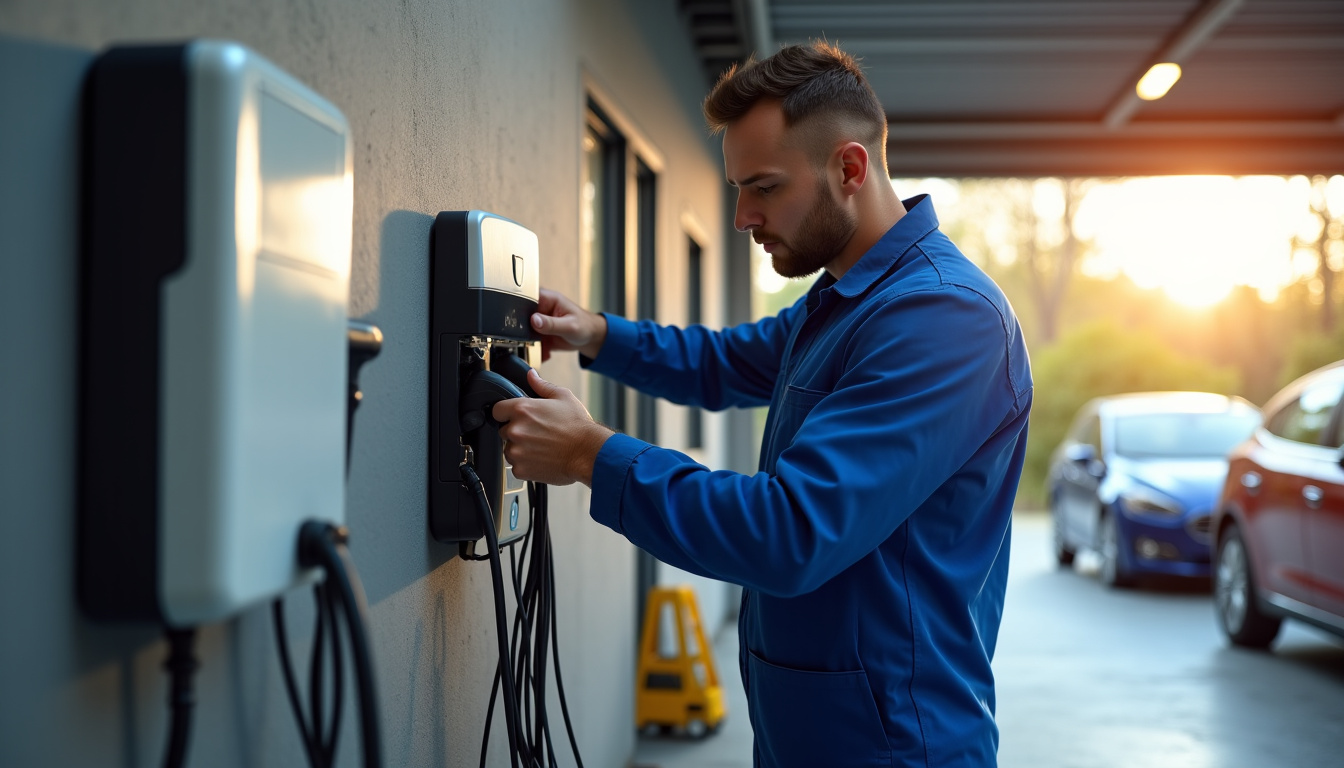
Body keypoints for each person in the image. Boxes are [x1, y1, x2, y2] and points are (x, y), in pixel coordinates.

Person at [493, 41, 1032, 768]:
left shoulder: (942, 318)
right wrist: (596, 333)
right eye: (738, 188)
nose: (743, 216)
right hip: (811, 732)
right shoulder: (845, 299)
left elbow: (788, 532)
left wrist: (592, 454)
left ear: (849, 168)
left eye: (765, 187)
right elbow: (723, 361)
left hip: (897, 746)